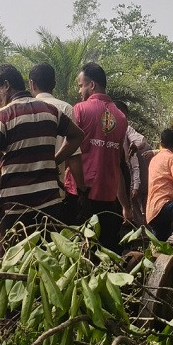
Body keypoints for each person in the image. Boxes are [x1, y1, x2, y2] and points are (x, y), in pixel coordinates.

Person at [0, 65, 85, 254]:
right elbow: (77, 136)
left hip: (15, 208)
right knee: (46, 260)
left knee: (9, 262)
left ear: (6, 85)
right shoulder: (51, 110)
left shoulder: (3, 116)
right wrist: (54, 160)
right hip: (49, 205)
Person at [62, 63, 131, 252]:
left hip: (81, 195)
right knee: (104, 252)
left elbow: (70, 151)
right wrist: (125, 205)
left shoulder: (80, 110)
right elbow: (117, 162)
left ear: (92, 85)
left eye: (80, 85)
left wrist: (54, 162)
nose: (79, 91)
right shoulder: (121, 118)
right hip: (108, 198)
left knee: (77, 252)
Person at [28, 62, 88, 225]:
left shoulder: (24, 109)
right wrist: (81, 189)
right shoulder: (65, 108)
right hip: (55, 190)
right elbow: (74, 155)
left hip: (27, 191)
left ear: (31, 84)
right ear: (54, 84)